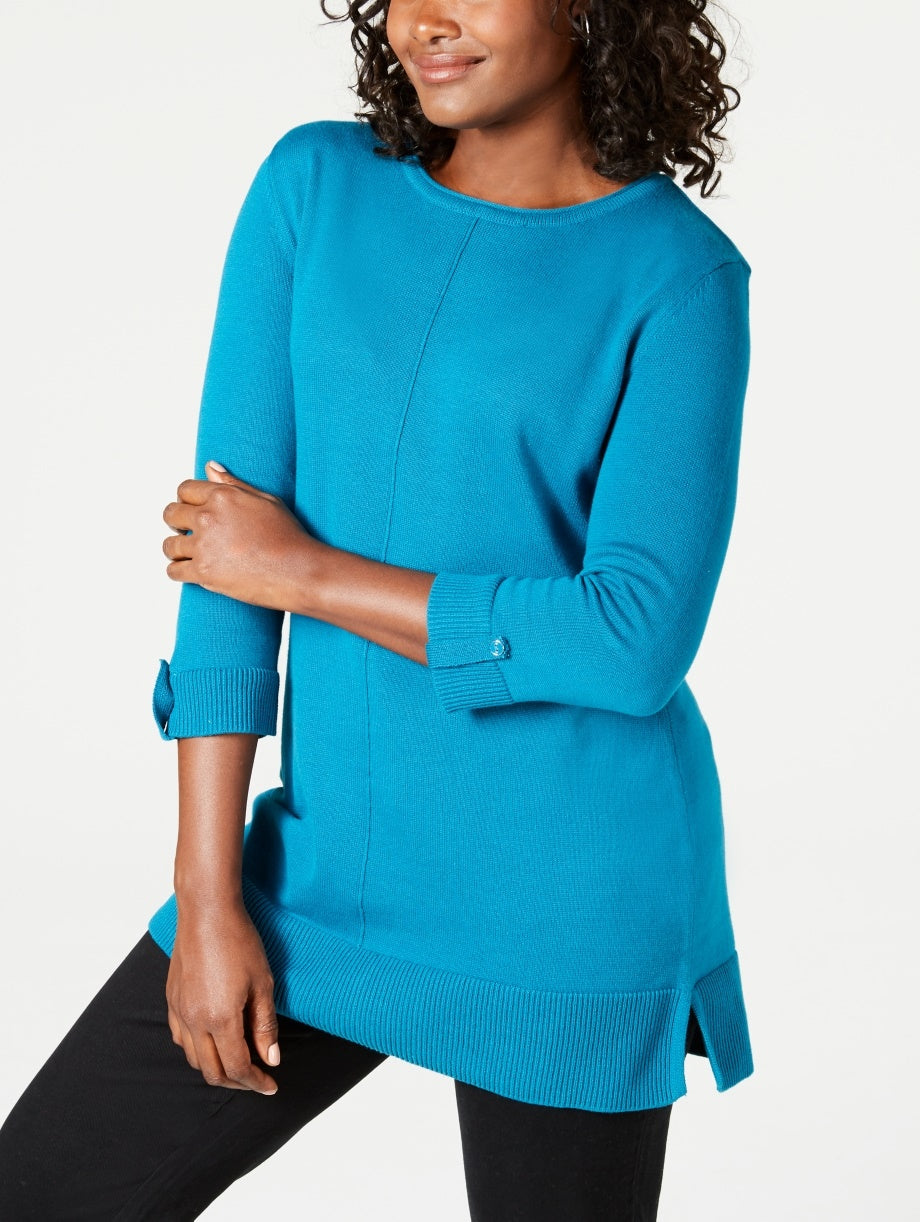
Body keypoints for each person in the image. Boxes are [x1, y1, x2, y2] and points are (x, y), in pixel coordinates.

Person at [0, 0, 755, 1217]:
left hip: (564, 904)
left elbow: (630, 639)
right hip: (319, 878)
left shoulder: (679, 274)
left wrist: (304, 573)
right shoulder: (315, 188)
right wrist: (208, 897)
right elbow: (220, 567)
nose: (425, 19)